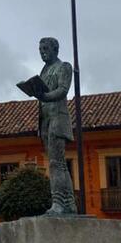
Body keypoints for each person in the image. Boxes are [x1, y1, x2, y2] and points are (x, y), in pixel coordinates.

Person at [32, 37, 77, 215]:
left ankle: (59, 203)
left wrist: (44, 96)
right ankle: (69, 203)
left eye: (45, 48)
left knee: (56, 164)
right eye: (40, 49)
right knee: (58, 164)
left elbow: (63, 90)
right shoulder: (44, 70)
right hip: (45, 120)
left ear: (55, 49)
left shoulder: (64, 66)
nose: (42, 51)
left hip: (58, 119)